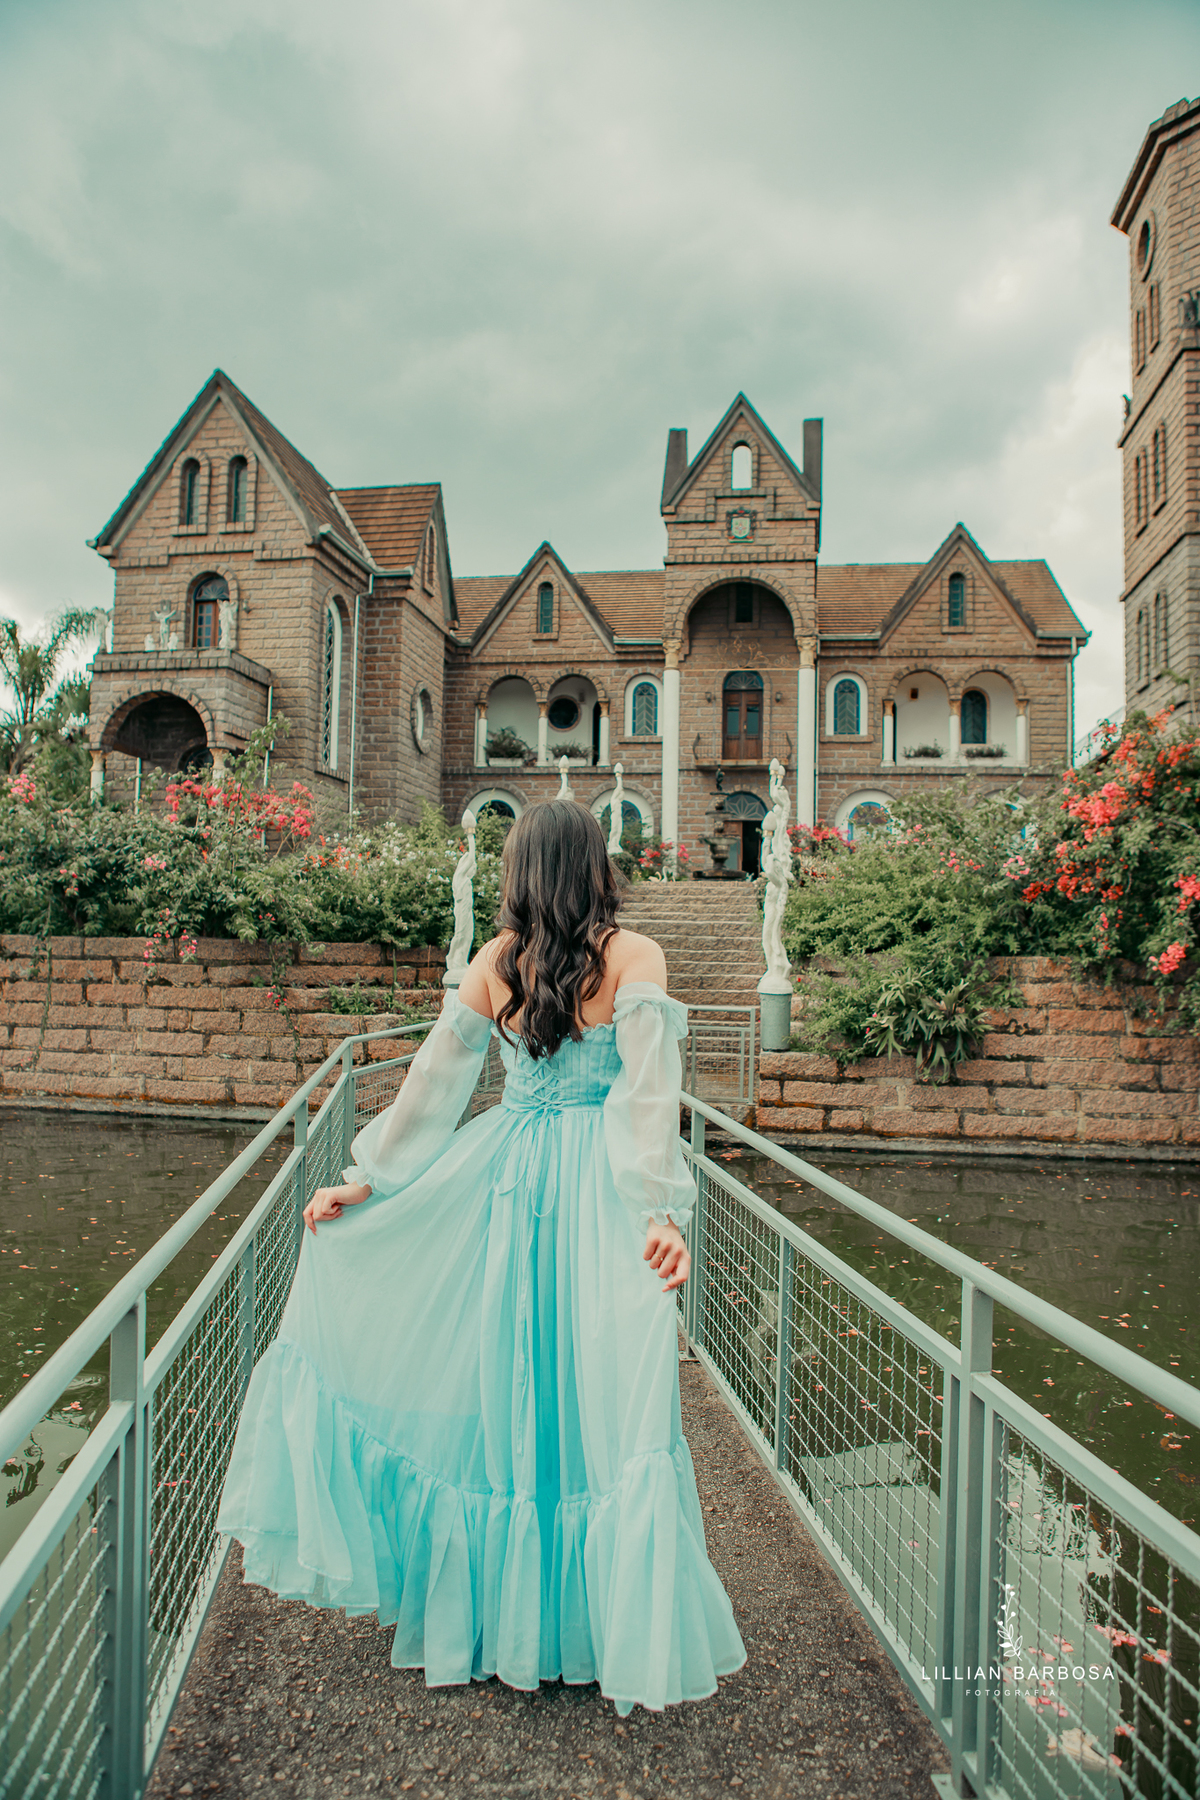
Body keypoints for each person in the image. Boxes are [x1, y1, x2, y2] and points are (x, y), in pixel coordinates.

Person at [218, 799, 746, 1716]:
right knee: (600, 1392)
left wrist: (366, 1181)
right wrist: (659, 1212)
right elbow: (646, 1102)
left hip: (506, 1179)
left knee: (509, 1382)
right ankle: (582, 1624)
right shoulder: (635, 958)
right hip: (595, 1194)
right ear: (595, 866)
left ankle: (508, 1619)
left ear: (518, 872)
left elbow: (432, 1087)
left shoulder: (496, 964)